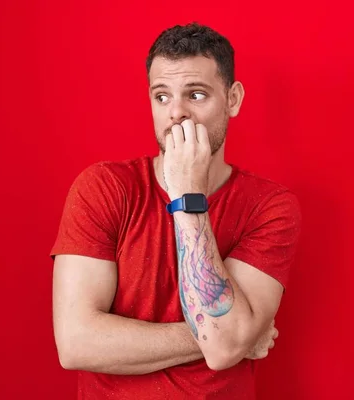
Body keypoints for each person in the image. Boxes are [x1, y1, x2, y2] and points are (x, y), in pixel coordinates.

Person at [50, 22, 302, 400]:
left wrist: (187, 195)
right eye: (162, 96)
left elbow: (224, 348)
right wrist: (234, 333)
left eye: (196, 95)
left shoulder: (270, 206)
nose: (176, 114)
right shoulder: (103, 187)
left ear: (232, 99)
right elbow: (75, 343)